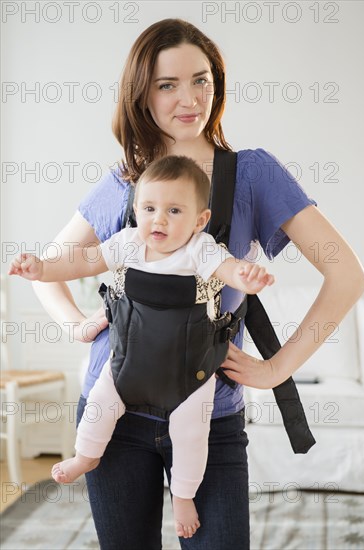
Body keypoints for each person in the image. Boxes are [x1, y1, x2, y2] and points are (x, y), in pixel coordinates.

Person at [27, 18, 364, 550]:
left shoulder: (253, 174)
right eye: (168, 85)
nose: (190, 98)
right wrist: (78, 326)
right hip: (113, 410)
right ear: (142, 94)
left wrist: (276, 368)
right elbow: (50, 269)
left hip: (210, 412)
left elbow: (348, 274)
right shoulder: (126, 182)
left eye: (202, 80)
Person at [9, 155, 275, 538]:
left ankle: (183, 496)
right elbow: (83, 262)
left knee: (191, 432)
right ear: (136, 210)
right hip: (127, 370)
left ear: (200, 220)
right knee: (101, 404)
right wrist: (43, 269)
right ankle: (86, 456)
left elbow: (230, 269)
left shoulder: (201, 249)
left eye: (174, 210)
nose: (159, 220)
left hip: (190, 376)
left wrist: (247, 276)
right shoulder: (128, 244)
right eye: (149, 208)